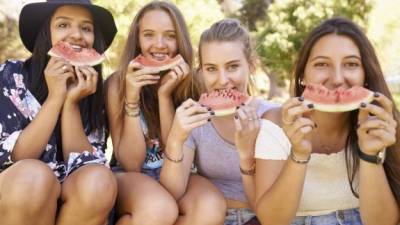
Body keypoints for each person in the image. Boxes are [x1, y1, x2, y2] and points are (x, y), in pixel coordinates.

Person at [255, 17, 400, 225]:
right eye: (322, 64)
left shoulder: (376, 123)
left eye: (351, 64)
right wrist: (299, 154)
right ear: (302, 75)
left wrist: (369, 155)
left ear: (365, 75)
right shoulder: (275, 125)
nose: (338, 78)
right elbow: (272, 220)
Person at [0, 0, 118, 224]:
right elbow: (17, 159)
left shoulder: (95, 89)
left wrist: (71, 102)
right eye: (63, 25)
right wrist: (55, 98)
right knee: (33, 177)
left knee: (98, 180)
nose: (76, 35)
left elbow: (85, 164)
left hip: (74, 205)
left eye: (86, 28)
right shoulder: (11, 75)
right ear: (46, 33)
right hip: (16, 195)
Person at [105, 1, 220, 224]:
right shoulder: (116, 84)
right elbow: (131, 163)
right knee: (158, 208)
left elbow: (174, 152)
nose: (159, 45)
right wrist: (131, 98)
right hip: (129, 176)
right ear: (137, 40)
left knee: (210, 206)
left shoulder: (194, 84)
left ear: (181, 40)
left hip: (177, 170)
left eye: (170, 35)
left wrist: (164, 97)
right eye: (149, 35)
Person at [160, 19, 278, 225]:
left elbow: (272, 205)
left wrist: (248, 152)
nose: (222, 80)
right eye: (211, 69)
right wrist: (175, 140)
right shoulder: (196, 118)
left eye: (232, 67)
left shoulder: (271, 117)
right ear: (202, 71)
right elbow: (172, 193)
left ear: (250, 66)